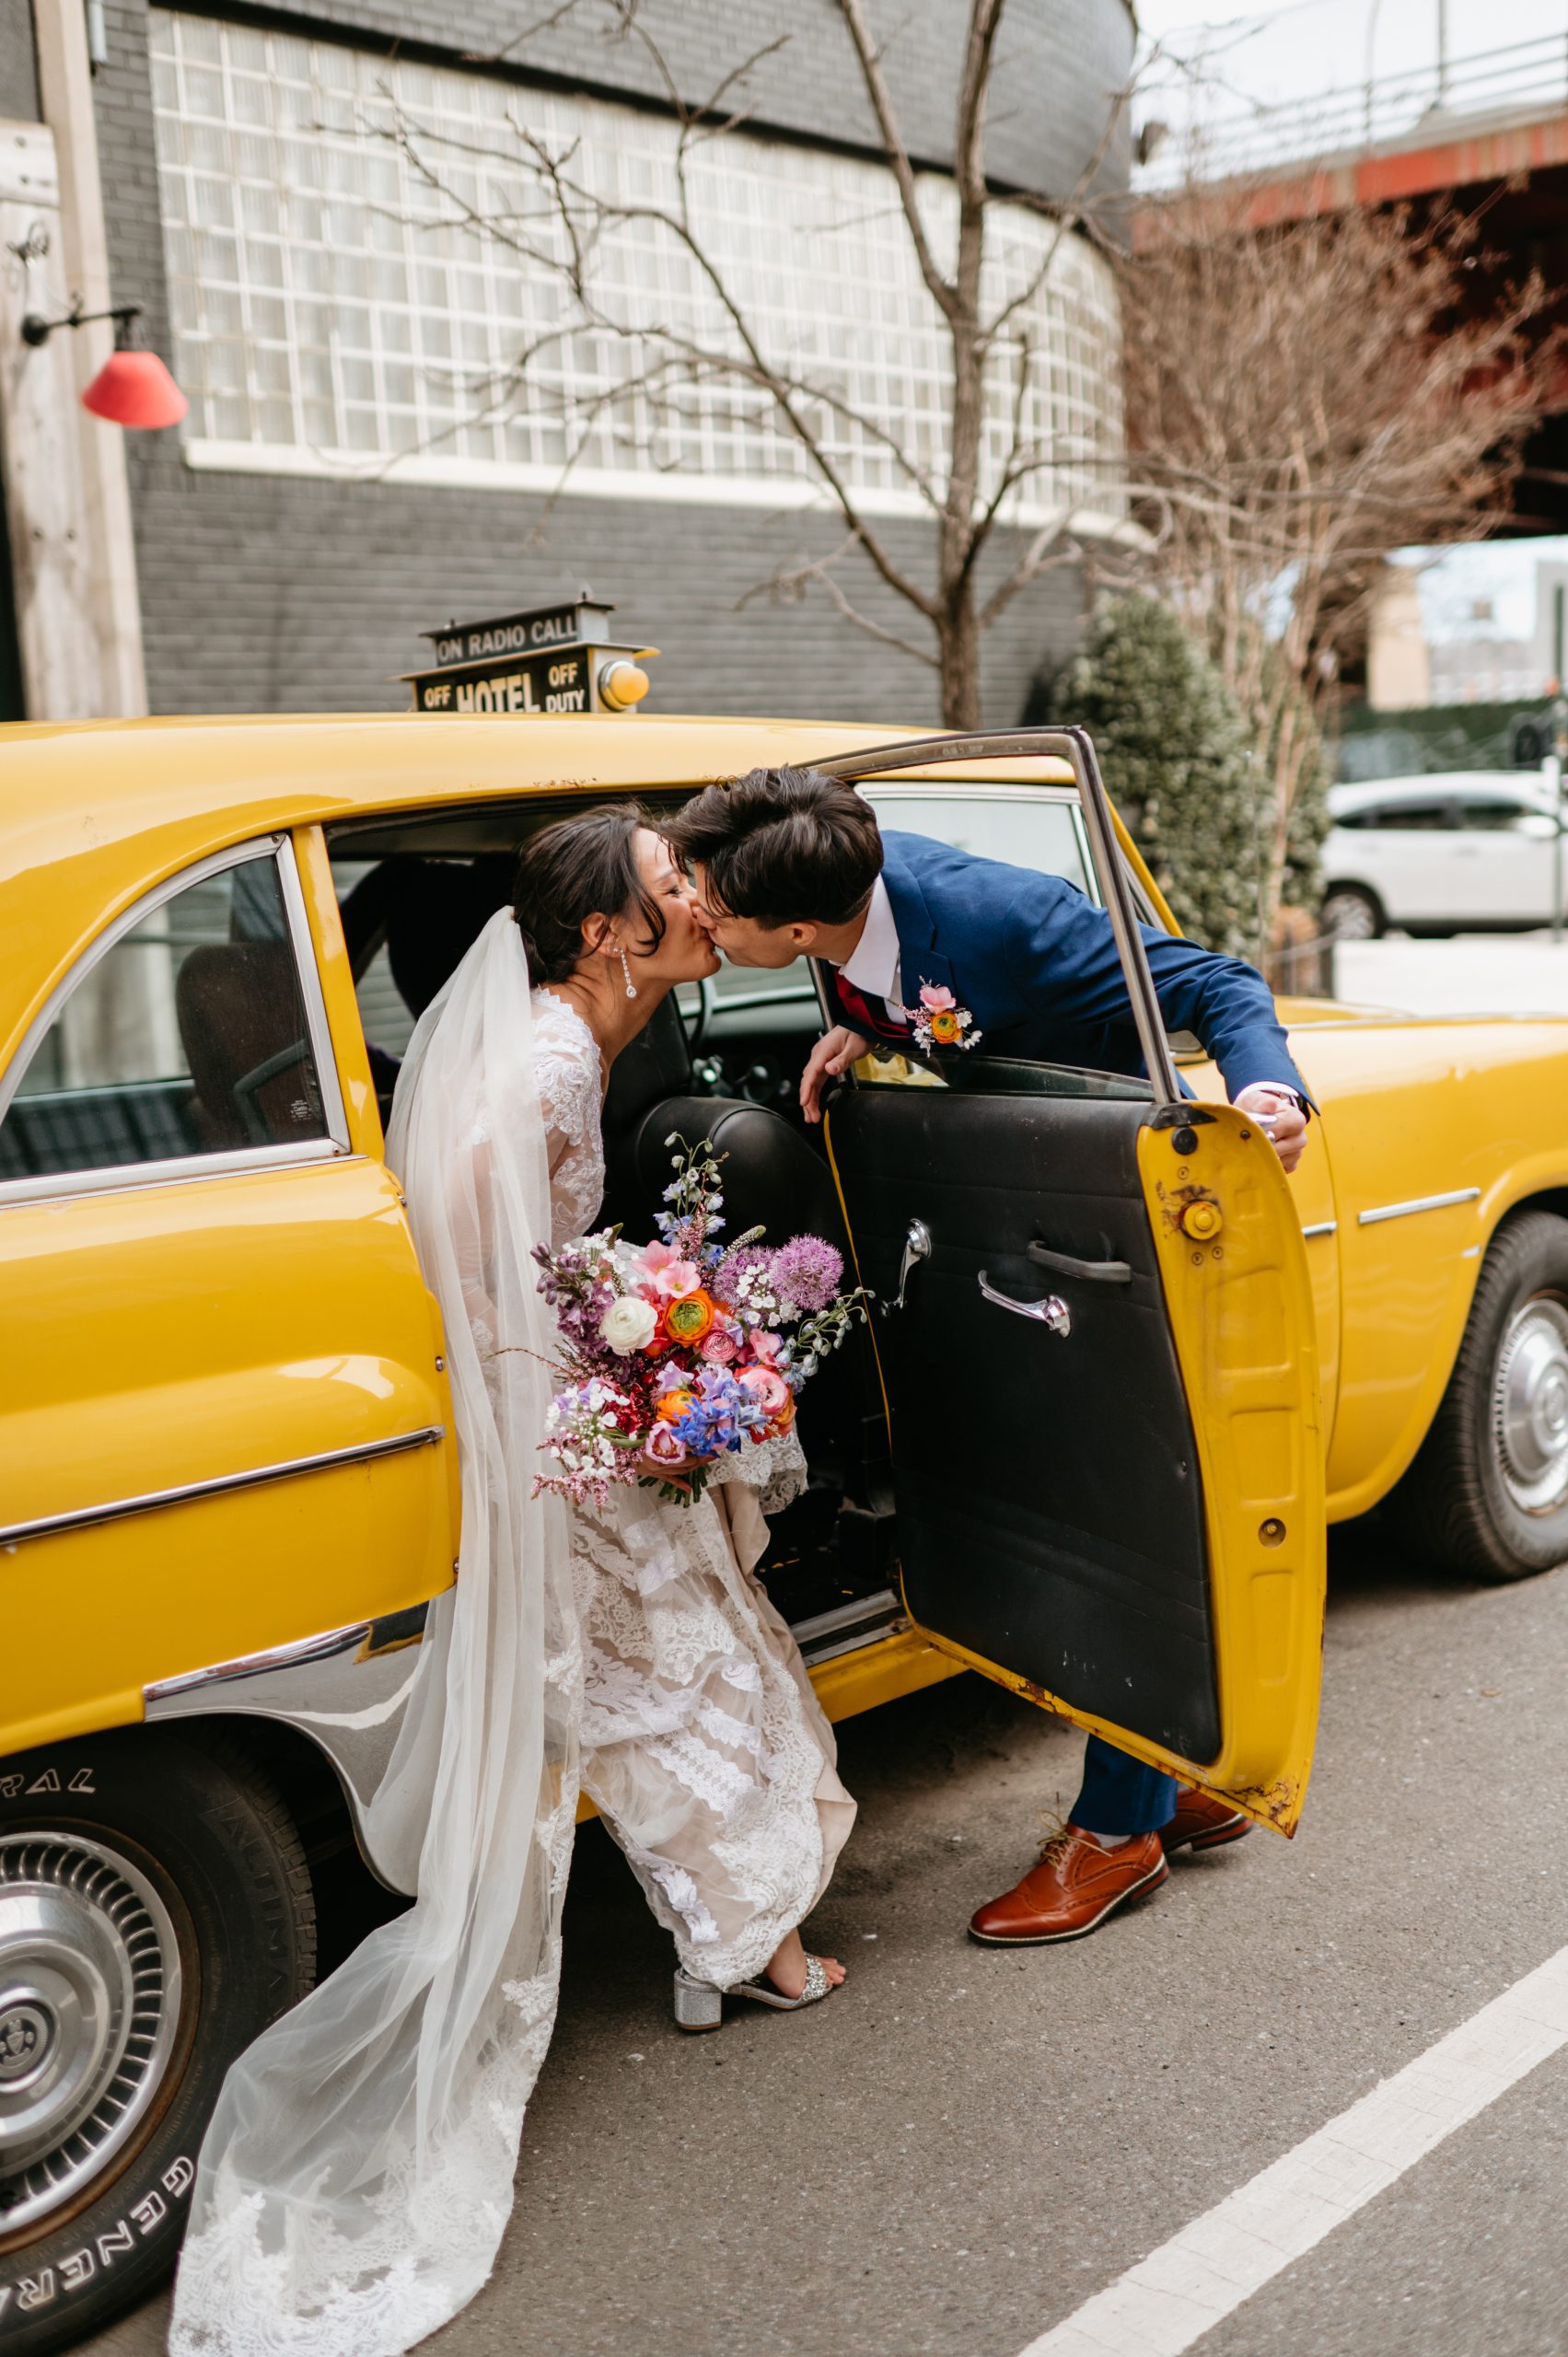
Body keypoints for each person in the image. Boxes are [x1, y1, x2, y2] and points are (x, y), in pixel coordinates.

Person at [169, 807, 853, 2357]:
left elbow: (527, 1241)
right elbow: (487, 1233)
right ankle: (749, 1945)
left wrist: (630, 1311)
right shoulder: (551, 1058)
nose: (699, 901)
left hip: (558, 1399)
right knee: (696, 1660)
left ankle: (722, 1941)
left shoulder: (565, 1035)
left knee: (681, 1650)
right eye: (674, 887)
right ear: (613, 934)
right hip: (558, 1420)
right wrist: (616, 1353)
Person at [668, 764, 1312, 1950]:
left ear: (797, 927)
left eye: (713, 912)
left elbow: (1217, 983)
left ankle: (1120, 1829)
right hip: (989, 1208)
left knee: (1121, 1512)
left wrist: (1271, 1095)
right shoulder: (831, 885)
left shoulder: (1007, 922)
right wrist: (859, 1034)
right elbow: (898, 996)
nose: (696, 919)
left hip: (1113, 1220)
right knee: (1045, 1488)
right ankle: (1181, 1769)